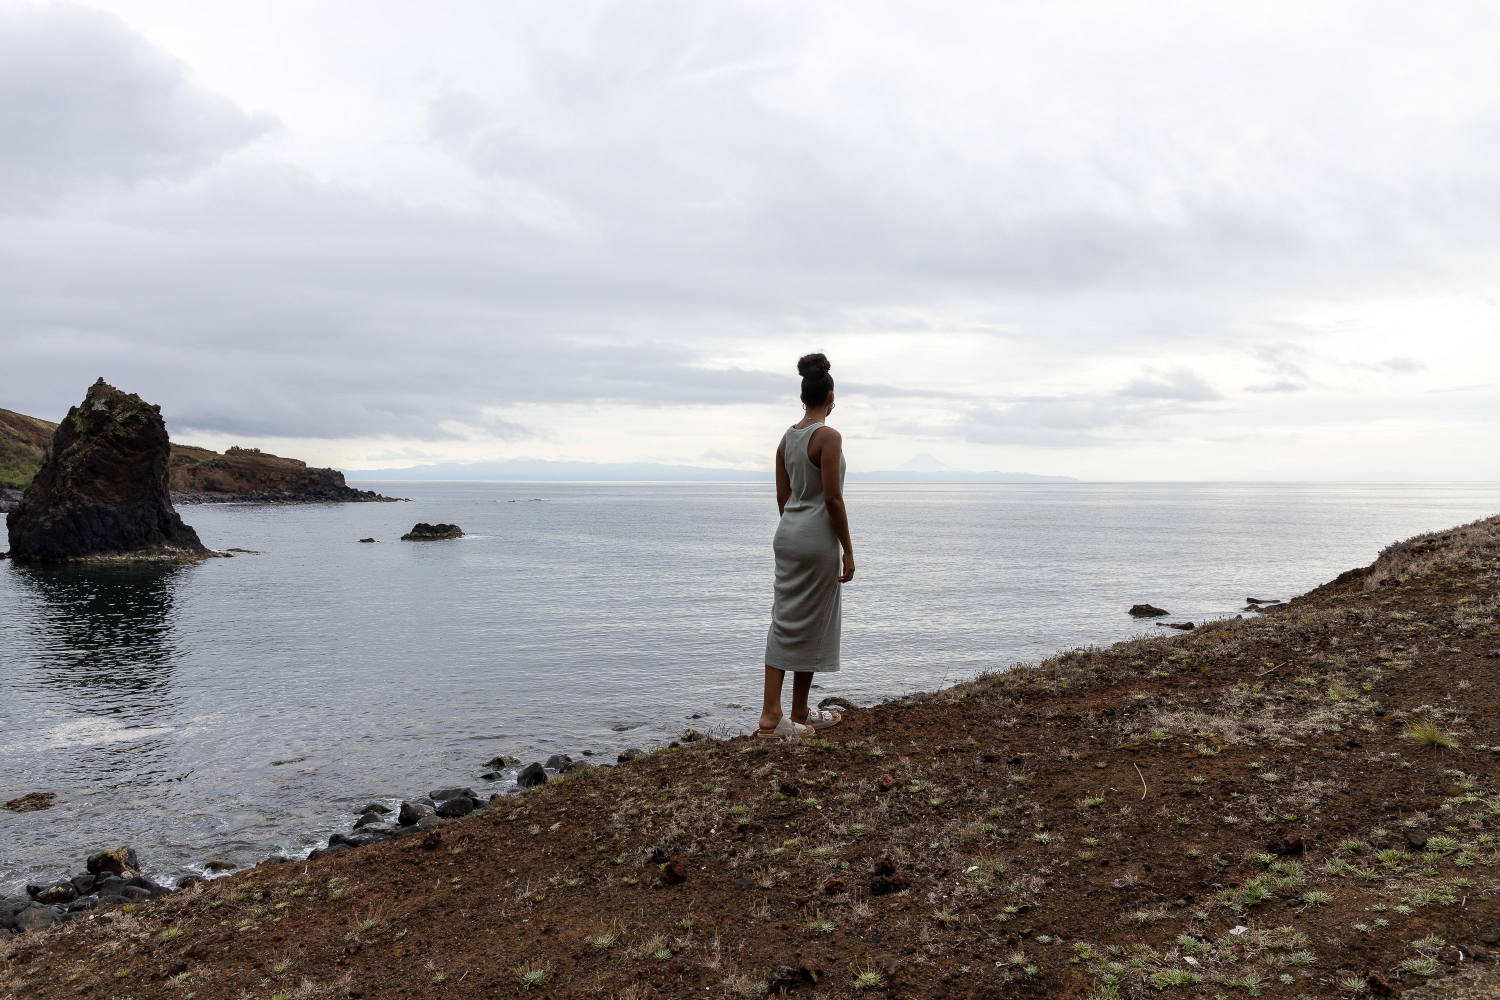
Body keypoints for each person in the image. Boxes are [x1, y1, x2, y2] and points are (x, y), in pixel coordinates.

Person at [758, 353, 855, 737]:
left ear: (803, 398)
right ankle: (773, 718)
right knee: (813, 622)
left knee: (785, 619)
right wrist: (847, 549)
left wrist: (795, 527)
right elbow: (832, 498)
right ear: (830, 397)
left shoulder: (787, 439)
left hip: (788, 535)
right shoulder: (828, 436)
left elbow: (783, 498)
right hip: (817, 539)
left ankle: (795, 714)